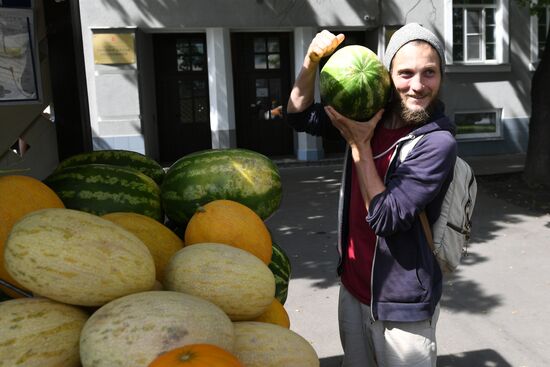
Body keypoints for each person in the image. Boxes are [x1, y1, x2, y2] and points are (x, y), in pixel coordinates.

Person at [284, 23, 457, 367]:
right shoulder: (367, 114)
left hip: (403, 305)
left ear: (441, 76)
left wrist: (359, 144)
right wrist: (310, 61)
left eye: (430, 73)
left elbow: (386, 217)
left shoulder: (437, 141)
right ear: (387, 75)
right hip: (354, 287)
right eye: (405, 73)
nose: (418, 85)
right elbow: (298, 115)